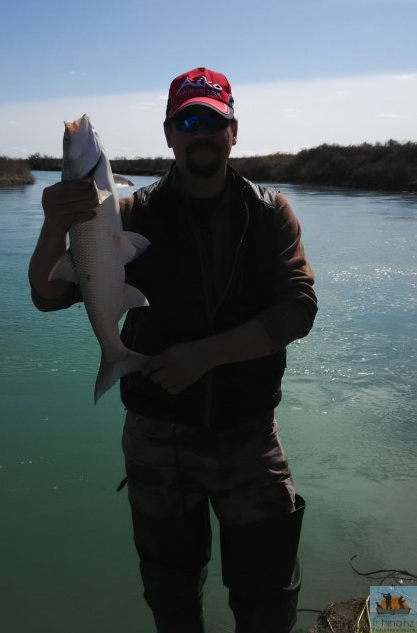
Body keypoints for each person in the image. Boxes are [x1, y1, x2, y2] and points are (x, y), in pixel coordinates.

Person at [29, 67, 317, 633]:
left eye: (212, 121)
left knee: (268, 596)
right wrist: (52, 228)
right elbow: (47, 295)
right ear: (168, 134)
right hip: (157, 440)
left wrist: (204, 356)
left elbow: (297, 309)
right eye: (187, 122)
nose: (200, 133)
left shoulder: (270, 213)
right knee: (172, 598)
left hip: (249, 436)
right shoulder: (128, 215)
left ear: (233, 131)